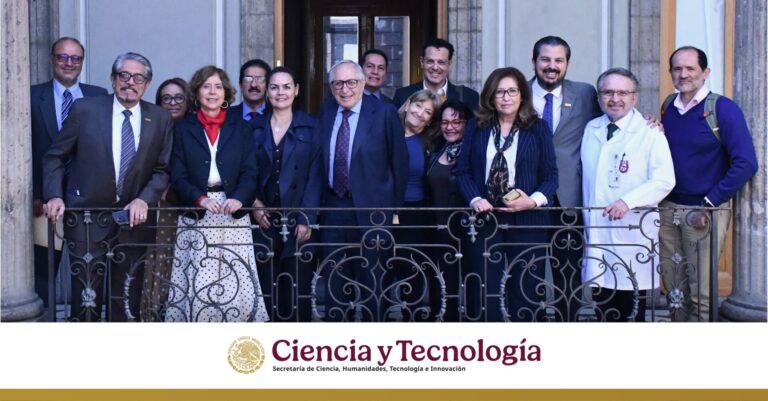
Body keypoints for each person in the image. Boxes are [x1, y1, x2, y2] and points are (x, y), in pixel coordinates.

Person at [43, 52, 173, 321]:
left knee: (126, 301)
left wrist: (144, 199)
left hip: (134, 222)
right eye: (124, 75)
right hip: (87, 219)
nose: (130, 82)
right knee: (86, 302)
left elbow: (163, 169)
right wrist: (54, 195)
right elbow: (55, 157)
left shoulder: (159, 118)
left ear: (147, 84)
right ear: (113, 79)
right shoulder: (85, 110)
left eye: (138, 77)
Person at [659, 46, 758, 322]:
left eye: (690, 68)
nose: (683, 74)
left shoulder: (722, 109)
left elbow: (746, 163)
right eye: (677, 68)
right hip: (668, 209)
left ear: (706, 73)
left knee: (701, 293)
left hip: (704, 211)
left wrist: (711, 201)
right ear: (670, 73)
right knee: (673, 288)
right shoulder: (669, 106)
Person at [164, 65, 267, 323]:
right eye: (206, 86)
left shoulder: (241, 128)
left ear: (226, 92)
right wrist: (200, 198)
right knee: (199, 278)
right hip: (197, 211)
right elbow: (178, 175)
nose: (212, 92)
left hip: (233, 212)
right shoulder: (182, 129)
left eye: (218, 87)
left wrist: (239, 198)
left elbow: (250, 172)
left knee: (234, 279)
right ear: (196, 92)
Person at [456, 67, 558, 322]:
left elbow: (551, 176)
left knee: (525, 292)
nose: (506, 97)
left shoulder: (539, 128)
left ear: (522, 95)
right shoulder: (477, 126)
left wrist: (532, 201)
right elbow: (463, 171)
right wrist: (475, 199)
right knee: (485, 292)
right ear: (490, 97)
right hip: (485, 220)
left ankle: (524, 343)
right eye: (499, 92)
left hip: (528, 221)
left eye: (512, 91)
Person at [581, 68, 675, 322]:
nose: (615, 99)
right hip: (599, 230)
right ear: (599, 97)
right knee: (603, 303)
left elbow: (665, 180)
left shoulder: (650, 132)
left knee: (631, 308)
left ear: (635, 97)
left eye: (623, 93)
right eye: (608, 92)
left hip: (633, 231)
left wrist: (627, 202)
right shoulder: (591, 128)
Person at [317, 60, 408, 321]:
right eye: (338, 83)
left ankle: (372, 339)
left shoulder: (384, 112)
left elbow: (399, 164)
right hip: (333, 207)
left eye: (351, 82)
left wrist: (392, 213)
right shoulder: (326, 110)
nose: (344, 89)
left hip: (373, 211)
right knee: (335, 281)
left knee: (373, 284)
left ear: (363, 82)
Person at [527, 36, 602, 321]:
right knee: (528, 270)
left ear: (567, 64)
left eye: (559, 60)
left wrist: (648, 123)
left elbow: (609, 122)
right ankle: (528, 330)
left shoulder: (584, 93)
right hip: (526, 197)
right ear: (534, 62)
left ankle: (565, 327)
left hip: (567, 198)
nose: (552, 66)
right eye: (545, 59)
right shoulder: (516, 91)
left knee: (568, 273)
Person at [31, 37, 108, 310]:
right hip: (44, 202)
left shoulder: (99, 96)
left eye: (75, 58)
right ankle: (43, 322)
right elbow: (24, 149)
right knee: (45, 272)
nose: (69, 63)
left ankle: (82, 324)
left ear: (82, 62)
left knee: (87, 273)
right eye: (62, 57)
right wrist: (36, 194)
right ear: (52, 59)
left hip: (89, 202)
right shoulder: (31, 96)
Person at [251, 66, 322, 321]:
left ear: (296, 90)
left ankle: (295, 343)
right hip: (263, 219)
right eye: (274, 87)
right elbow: (245, 171)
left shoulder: (312, 127)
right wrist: (254, 203)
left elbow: (316, 175)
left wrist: (307, 217)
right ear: (267, 91)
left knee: (296, 290)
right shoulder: (253, 128)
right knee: (265, 289)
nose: (280, 92)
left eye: (286, 87)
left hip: (298, 218)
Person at [141, 77, 193, 321]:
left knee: (181, 262)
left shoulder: (195, 129)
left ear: (188, 100)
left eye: (178, 97)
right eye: (166, 98)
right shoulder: (150, 128)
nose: (173, 103)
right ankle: (150, 316)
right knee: (155, 261)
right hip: (156, 206)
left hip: (187, 208)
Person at [393, 89, 440, 315]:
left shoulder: (431, 142)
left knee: (413, 270)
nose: (420, 113)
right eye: (418, 105)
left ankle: (411, 318)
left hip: (417, 213)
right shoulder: (388, 132)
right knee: (383, 268)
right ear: (409, 104)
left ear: (430, 120)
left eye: (428, 112)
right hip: (386, 210)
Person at [426, 99, 472, 321]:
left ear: (466, 124)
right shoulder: (437, 148)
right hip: (439, 230)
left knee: (473, 285)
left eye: (457, 122)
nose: (450, 127)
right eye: (445, 122)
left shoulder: (474, 151)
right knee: (443, 287)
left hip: (468, 230)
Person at [393, 38, 479, 110]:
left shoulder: (469, 97)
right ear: (422, 62)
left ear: (449, 65)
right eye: (430, 61)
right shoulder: (403, 96)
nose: (435, 67)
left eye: (441, 62)